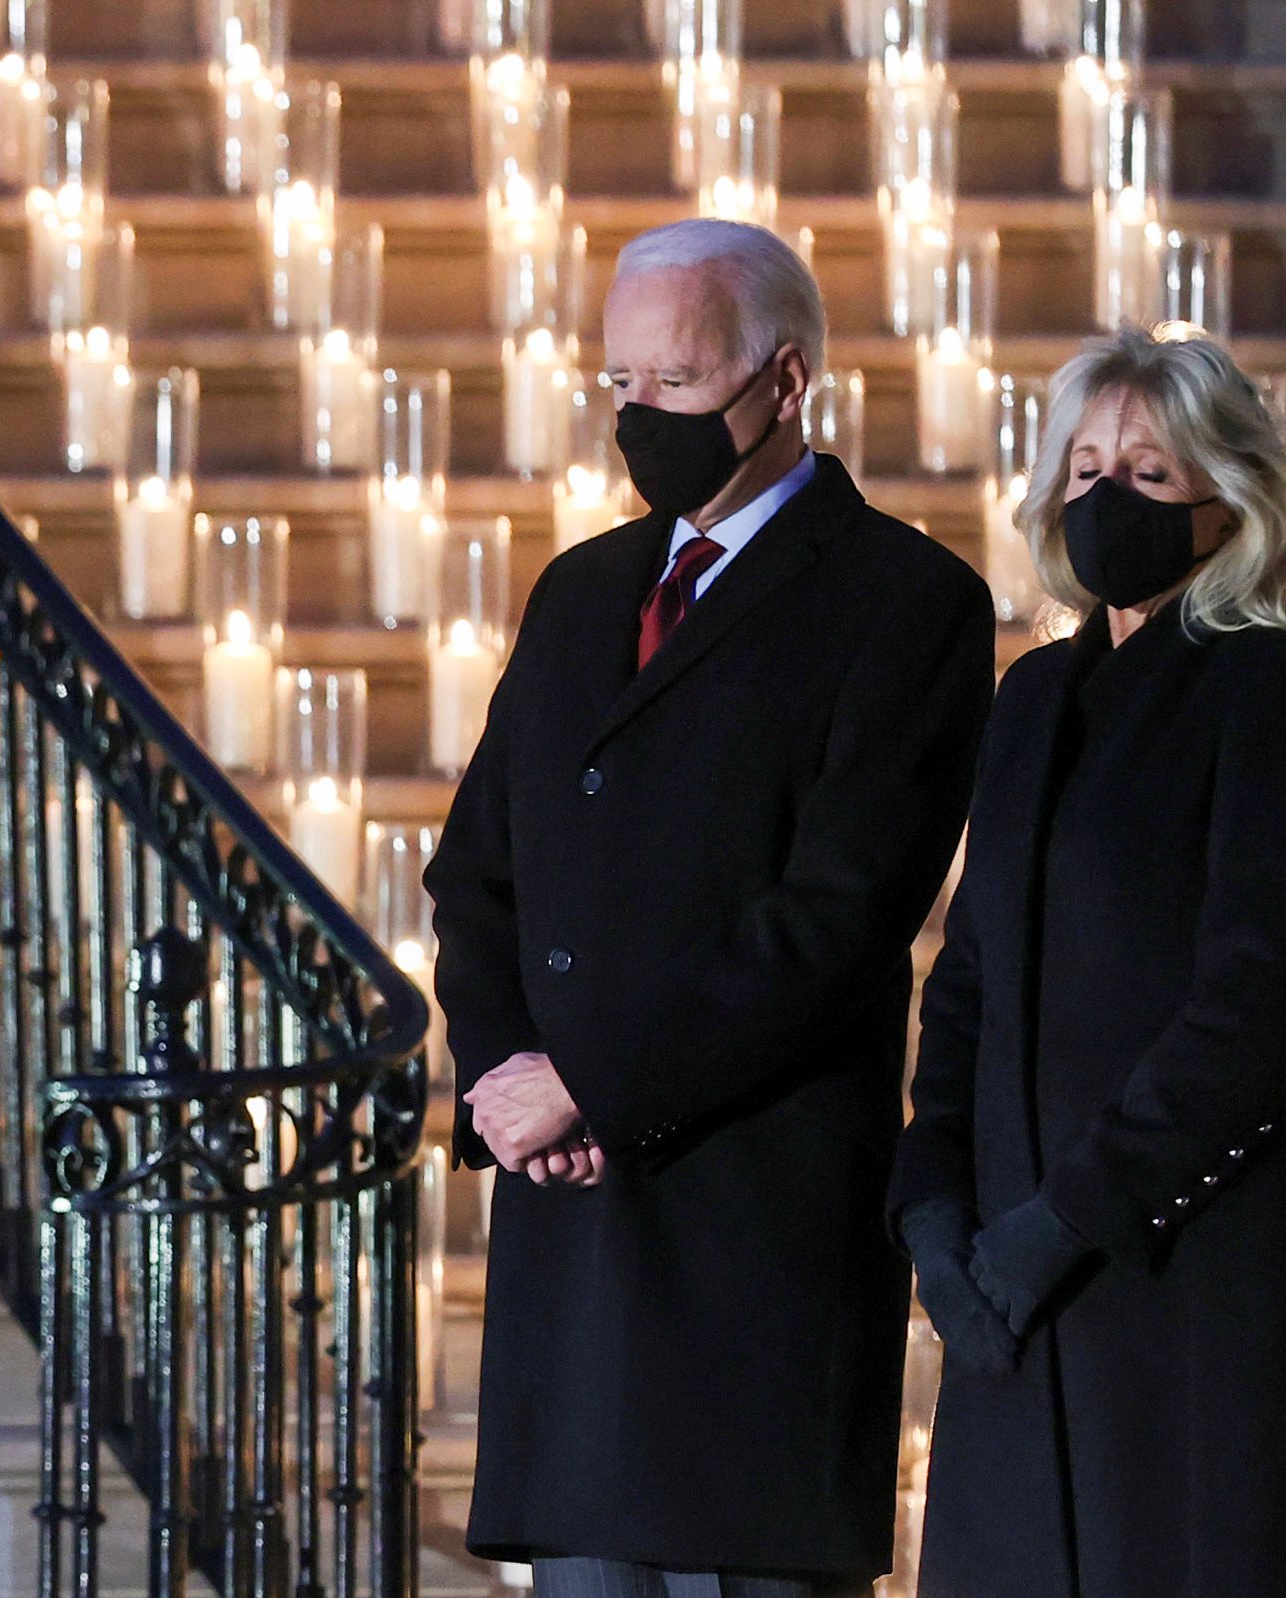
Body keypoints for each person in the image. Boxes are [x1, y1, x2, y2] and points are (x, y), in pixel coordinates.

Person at [425, 217, 994, 1598]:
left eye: (674, 383)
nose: (640, 418)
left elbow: (836, 917)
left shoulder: (906, 600)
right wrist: (503, 1072)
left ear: (782, 380)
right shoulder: (579, 592)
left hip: (750, 1239)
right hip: (572, 1231)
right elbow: (477, 873)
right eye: (619, 384)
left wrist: (591, 1083)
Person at [890, 326, 1286, 1597]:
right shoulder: (1029, 698)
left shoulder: (1276, 689)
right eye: (1085, 470)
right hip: (1011, 1271)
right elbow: (967, 974)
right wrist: (933, 1200)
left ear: (1227, 501)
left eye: (1147, 474)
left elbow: (1251, 1003)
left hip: (1180, 1257)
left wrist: (1067, 1219)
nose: (1105, 496)